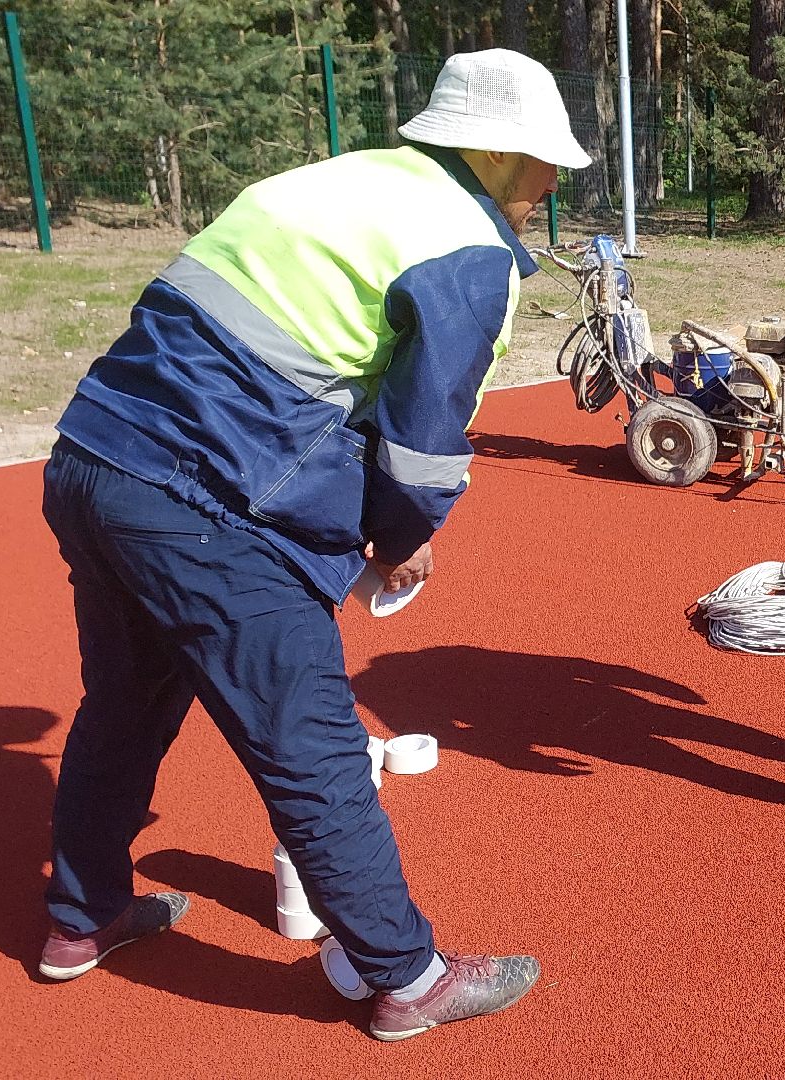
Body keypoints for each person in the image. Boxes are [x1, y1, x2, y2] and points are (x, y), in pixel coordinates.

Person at [35, 49, 588, 1041]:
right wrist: (403, 543)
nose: (555, 179)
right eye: (549, 159)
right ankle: (407, 977)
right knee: (314, 749)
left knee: (124, 702)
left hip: (90, 458)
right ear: (501, 149)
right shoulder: (466, 248)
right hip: (204, 505)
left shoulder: (331, 180)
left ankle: (80, 920)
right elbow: (424, 449)